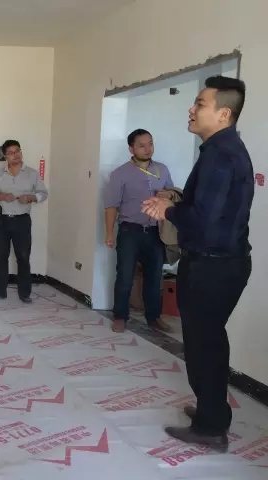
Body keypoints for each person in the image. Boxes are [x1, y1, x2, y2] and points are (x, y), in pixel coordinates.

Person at [142, 76, 253, 452]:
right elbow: (208, 211)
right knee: (209, 343)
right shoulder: (220, 149)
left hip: (212, 267)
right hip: (218, 264)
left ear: (224, 114)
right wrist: (173, 203)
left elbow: (204, 221)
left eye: (200, 104)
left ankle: (210, 428)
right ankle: (212, 412)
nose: (191, 109)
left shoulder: (222, 155)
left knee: (204, 347)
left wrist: (167, 209)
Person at [104, 129, 174, 333]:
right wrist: (109, 233)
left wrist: (168, 194)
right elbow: (111, 206)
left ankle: (153, 317)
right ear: (131, 148)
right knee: (125, 275)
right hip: (130, 231)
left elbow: (173, 195)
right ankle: (120, 316)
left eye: (150, 144)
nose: (147, 149)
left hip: (156, 231)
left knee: (154, 276)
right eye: (142, 145)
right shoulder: (120, 174)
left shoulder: (162, 170)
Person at [0, 140, 48, 303]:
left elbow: (43, 194)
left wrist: (30, 197)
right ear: (5, 156)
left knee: (23, 256)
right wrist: (3, 196)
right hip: (1, 221)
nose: (16, 155)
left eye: (18, 151)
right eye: (11, 152)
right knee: (0, 257)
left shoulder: (32, 174)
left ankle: (24, 293)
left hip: (22, 220)